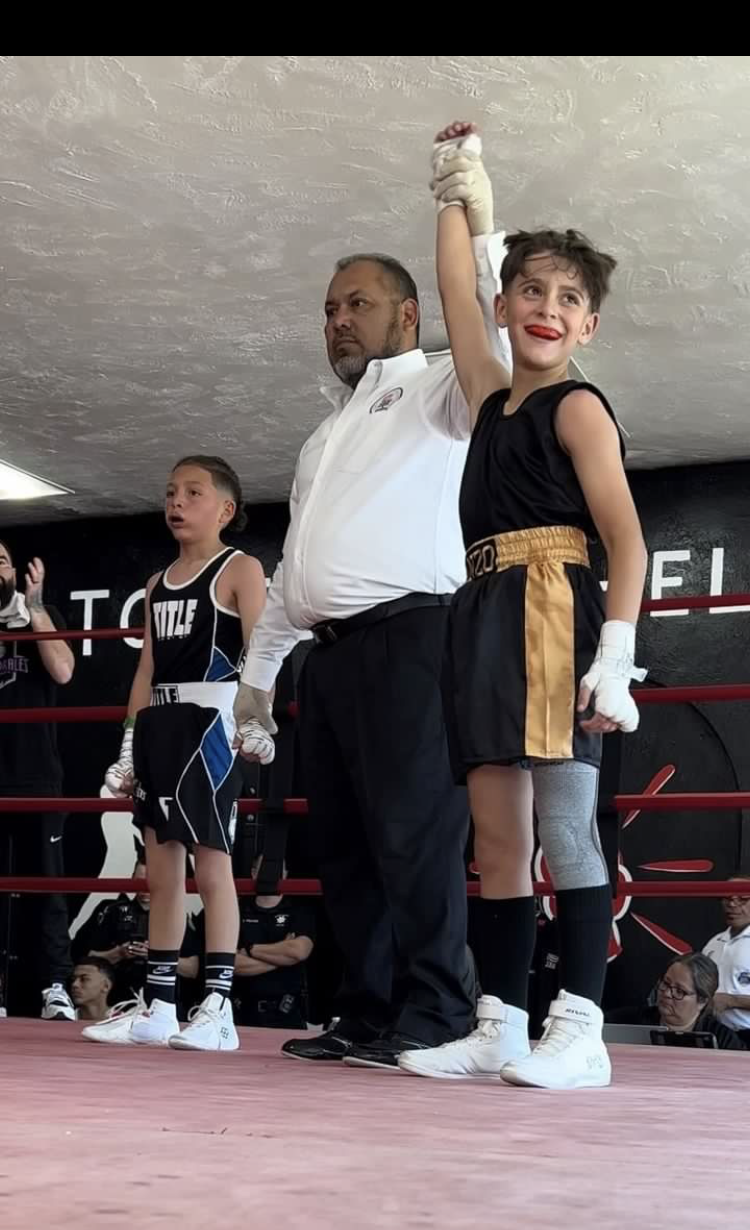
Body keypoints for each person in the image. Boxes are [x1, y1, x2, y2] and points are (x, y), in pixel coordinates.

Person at [233, 199, 510, 1071]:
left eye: (356, 303)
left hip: (414, 637)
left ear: (409, 315)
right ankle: (368, 1008)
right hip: (331, 657)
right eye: (328, 309)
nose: (338, 320)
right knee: (346, 843)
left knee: (414, 832)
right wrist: (258, 678)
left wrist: (476, 214)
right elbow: (297, 569)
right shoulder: (323, 437)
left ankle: (438, 1011)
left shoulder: (439, 385)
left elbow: (495, 343)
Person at [400, 123, 648, 1090]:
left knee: (566, 829)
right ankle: (499, 1025)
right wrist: (459, 192)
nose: (548, 308)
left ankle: (579, 1028)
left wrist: (616, 651)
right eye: (533, 292)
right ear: (510, 304)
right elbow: (457, 293)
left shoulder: (578, 409)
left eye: (570, 299)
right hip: (485, 610)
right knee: (496, 835)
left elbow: (625, 537)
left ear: (590, 326)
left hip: (557, 607)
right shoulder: (489, 395)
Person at [82, 456, 268, 1052]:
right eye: (170, 492)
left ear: (226, 509)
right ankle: (160, 1003)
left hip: (213, 726)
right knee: (160, 870)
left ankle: (217, 1006)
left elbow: (264, 653)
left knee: (212, 867)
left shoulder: (240, 568)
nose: (177, 502)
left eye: (193, 492)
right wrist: (130, 741)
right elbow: (146, 667)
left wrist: (256, 719)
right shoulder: (157, 583)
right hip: (161, 724)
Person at [0, 542, 76, 1020]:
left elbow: (64, 671)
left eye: (1, 560)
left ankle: (54, 986)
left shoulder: (39, 617)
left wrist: (34, 607)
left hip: (36, 777)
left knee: (47, 886)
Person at [74, 836, 198, 1009]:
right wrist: (118, 953)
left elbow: (193, 969)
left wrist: (157, 956)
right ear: (131, 878)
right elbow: (82, 956)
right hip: (114, 1004)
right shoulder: (111, 910)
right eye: (139, 881)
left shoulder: (175, 915)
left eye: (151, 881)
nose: (145, 887)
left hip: (163, 1002)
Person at [191, 883, 315, 1029]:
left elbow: (298, 951)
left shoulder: (298, 908)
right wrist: (283, 959)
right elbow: (231, 963)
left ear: (285, 873)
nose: (268, 872)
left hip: (287, 1012)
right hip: (241, 1011)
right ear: (253, 871)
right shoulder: (236, 907)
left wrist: (250, 949)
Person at [606, 953, 745, 1051]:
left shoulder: (723, 1040)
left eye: (679, 991)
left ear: (702, 1001)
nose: (666, 994)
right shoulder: (628, 1021)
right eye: (665, 984)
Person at [703, 885, 750, 1047]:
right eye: (728, 898)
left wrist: (732, 1000)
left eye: (742, 899)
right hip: (715, 1034)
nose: (732, 904)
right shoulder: (714, 942)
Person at [71, 958, 116, 1023]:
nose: (74, 984)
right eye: (73, 979)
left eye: (84, 979)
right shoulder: (63, 1020)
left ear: (106, 986)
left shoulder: (126, 1023)